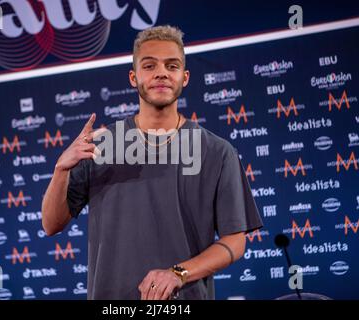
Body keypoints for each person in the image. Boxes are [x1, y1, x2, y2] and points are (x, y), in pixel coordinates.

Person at [42, 25, 263, 300]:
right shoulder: (100, 145)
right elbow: (51, 224)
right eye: (149, 66)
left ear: (185, 77)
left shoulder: (218, 152)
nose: (161, 73)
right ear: (134, 78)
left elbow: (235, 242)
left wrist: (178, 273)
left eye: (172, 66)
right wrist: (60, 170)